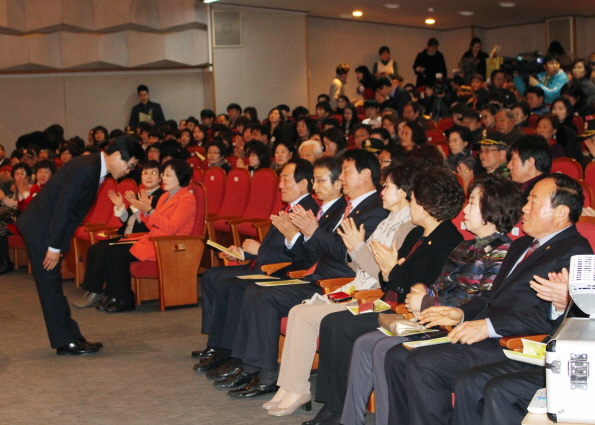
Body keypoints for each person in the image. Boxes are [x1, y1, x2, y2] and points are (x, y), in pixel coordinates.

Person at [384, 174, 593, 425]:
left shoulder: (575, 252)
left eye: (533, 202)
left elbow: (552, 318)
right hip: (486, 332)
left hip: (513, 342)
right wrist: (461, 313)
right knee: (399, 356)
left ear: (560, 213)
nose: (524, 208)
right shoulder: (523, 244)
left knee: (425, 364)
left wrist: (488, 327)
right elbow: (490, 297)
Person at [342, 174, 522, 425]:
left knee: (392, 353)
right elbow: (439, 287)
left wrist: (426, 301)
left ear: (492, 210)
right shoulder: (466, 247)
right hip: (434, 321)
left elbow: (481, 302)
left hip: (458, 328)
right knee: (381, 348)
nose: (465, 210)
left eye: (472, 204)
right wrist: (422, 292)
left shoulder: (504, 252)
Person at [301, 166, 464, 425]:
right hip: (392, 302)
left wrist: (393, 270)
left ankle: (340, 410)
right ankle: (334, 406)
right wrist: (390, 271)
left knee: (342, 326)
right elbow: (392, 281)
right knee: (334, 323)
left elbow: (420, 289)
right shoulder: (417, 234)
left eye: (413, 199)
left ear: (426, 204)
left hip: (409, 312)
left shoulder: (448, 240)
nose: (409, 203)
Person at [220, 151, 389, 400]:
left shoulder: (373, 210)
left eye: (346, 171)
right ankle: (251, 366)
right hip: (316, 276)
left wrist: (312, 231)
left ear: (365, 175)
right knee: (255, 291)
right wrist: (302, 235)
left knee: (264, 296)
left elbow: (346, 254)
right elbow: (320, 249)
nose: (342, 177)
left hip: (336, 283)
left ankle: (266, 375)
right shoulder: (351, 206)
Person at [264, 164, 416, 417]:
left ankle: (308, 393)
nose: (381, 191)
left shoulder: (407, 227)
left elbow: (383, 277)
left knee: (311, 316)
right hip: (359, 285)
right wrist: (355, 250)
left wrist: (357, 249)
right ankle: (291, 387)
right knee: (299, 312)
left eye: (387, 186)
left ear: (402, 193)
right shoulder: (387, 222)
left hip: (374, 296)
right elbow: (360, 266)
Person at [16, 136, 145, 355]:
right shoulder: (87, 169)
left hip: (43, 227)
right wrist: (54, 247)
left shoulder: (93, 165)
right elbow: (64, 209)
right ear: (116, 156)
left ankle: (69, 338)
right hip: (41, 230)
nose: (128, 172)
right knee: (51, 288)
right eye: (129, 165)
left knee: (52, 287)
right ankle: (67, 341)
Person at [192, 159, 321, 371]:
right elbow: (278, 248)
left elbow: (297, 255)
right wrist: (243, 253)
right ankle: (216, 344)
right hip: (263, 263)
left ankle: (229, 352)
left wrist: (258, 251)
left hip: (280, 272)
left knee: (230, 284)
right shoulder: (290, 207)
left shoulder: (306, 212)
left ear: (303, 184)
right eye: (280, 179)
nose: (280, 185)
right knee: (212, 275)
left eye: (286, 179)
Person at [94, 159, 196, 313]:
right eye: (164, 175)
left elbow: (172, 228)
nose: (164, 179)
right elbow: (152, 225)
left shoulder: (187, 199)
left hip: (167, 245)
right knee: (109, 249)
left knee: (116, 253)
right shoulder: (164, 197)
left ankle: (125, 298)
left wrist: (150, 210)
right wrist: (145, 212)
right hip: (153, 239)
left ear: (180, 177)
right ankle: (114, 296)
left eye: (168, 175)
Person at [72, 160, 165, 308]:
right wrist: (120, 206)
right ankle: (93, 291)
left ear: (160, 178)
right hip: (126, 235)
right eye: (145, 173)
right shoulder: (138, 194)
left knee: (106, 251)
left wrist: (140, 208)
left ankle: (106, 294)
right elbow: (127, 220)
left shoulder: (162, 197)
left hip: (142, 237)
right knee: (95, 249)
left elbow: (149, 223)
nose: (149, 176)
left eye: (153, 173)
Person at [508, 135, 552, 202]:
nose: (509, 166)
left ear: (530, 162)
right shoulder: (520, 187)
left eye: (513, 159)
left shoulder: (544, 193)